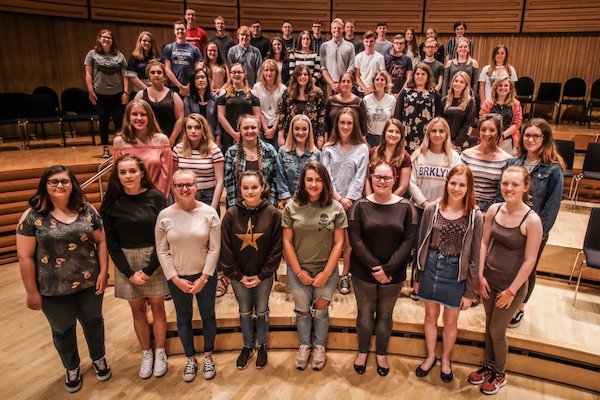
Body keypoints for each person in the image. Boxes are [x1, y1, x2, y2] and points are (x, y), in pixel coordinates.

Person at [16, 165, 110, 393]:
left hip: (88, 282)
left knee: (94, 321)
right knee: (62, 329)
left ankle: (99, 358)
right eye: (54, 181)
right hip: (52, 287)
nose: (60, 185)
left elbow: (101, 241)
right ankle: (72, 367)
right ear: (45, 186)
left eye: (65, 181)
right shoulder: (32, 216)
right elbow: (25, 256)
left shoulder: (86, 209)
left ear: (73, 185)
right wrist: (31, 291)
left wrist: (104, 273)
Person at [468, 166, 543, 395]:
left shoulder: (532, 220)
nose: (508, 188)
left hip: (511, 286)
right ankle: (488, 366)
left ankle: (499, 373)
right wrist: (479, 276)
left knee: (497, 331)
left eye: (515, 184)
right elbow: (483, 244)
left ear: (525, 187)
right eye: (505, 183)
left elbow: (530, 261)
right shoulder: (493, 209)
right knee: (488, 327)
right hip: (489, 280)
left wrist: (511, 291)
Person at [101, 154, 168, 381]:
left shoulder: (157, 198)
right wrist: (129, 272)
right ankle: (146, 353)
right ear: (117, 176)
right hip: (126, 262)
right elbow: (112, 243)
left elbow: (164, 237)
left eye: (132, 171)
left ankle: (160, 352)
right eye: (123, 172)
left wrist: (149, 270)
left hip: (154, 258)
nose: (128, 176)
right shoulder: (111, 204)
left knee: (158, 308)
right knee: (137, 311)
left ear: (142, 172)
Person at [414, 164, 483, 383]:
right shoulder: (432, 209)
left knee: (451, 322)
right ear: (447, 184)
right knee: (431, 316)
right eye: (453, 183)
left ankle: (445, 358)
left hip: (456, 273)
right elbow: (421, 245)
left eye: (462, 184)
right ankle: (431, 355)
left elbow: (474, 256)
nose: (456, 188)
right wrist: (417, 276)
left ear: (469, 187)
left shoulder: (475, 215)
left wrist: (469, 291)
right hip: (431, 266)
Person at [348, 162, 417, 377]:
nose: (382, 181)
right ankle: (362, 351)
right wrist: (375, 268)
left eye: (387, 178)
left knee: (385, 314)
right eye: (378, 177)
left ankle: (381, 353)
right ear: (371, 178)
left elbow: (408, 242)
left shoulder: (407, 207)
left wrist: (387, 269)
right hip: (363, 272)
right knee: (365, 315)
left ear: (395, 179)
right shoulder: (359, 206)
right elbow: (356, 241)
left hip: (393, 274)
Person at [155, 169, 221, 382]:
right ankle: (190, 358)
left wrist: (203, 278)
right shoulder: (164, 215)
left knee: (208, 316)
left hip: (205, 276)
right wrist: (174, 278)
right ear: (173, 188)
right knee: (183, 319)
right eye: (179, 185)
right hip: (178, 278)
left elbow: (214, 248)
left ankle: (208, 355)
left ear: (196, 187)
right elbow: (162, 250)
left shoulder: (209, 212)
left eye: (189, 184)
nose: (184, 189)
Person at [282, 161, 347, 370]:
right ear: (303, 182)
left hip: (325, 270)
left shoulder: (335, 208)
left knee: (320, 311)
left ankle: (319, 345)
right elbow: (286, 242)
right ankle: (304, 345)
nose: (313, 184)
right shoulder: (292, 207)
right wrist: (299, 272)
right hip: (298, 268)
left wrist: (326, 272)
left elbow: (339, 244)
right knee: (302, 310)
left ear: (325, 182)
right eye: (309, 179)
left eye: (318, 180)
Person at [499, 119, 564, 328]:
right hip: (509, 224)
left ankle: (520, 307)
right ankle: (505, 298)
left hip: (534, 228)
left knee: (529, 267)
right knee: (509, 265)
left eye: (536, 136)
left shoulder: (553, 169)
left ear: (544, 139)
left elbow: (552, 206)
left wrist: (541, 233)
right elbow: (503, 195)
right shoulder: (512, 163)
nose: (530, 139)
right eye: (527, 135)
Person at [220, 170, 283, 369]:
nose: (250, 191)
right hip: (239, 276)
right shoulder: (231, 214)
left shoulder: (272, 213)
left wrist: (263, 274)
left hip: (263, 275)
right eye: (245, 188)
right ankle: (247, 346)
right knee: (245, 311)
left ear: (262, 187)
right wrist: (237, 275)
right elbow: (226, 247)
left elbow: (276, 248)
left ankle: (262, 345)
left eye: (254, 187)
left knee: (262, 310)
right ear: (239, 189)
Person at [323, 108, 369, 295]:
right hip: (330, 201)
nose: (345, 126)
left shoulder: (362, 148)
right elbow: (326, 175)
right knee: (328, 241)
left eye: (349, 123)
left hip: (352, 203)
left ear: (355, 125)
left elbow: (360, 176)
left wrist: (348, 199)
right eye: (342, 122)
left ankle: (345, 276)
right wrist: (338, 198)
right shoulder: (328, 148)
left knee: (348, 244)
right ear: (337, 124)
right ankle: (328, 274)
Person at [112, 99, 174, 197]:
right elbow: (118, 175)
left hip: (157, 197)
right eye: (134, 114)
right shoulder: (119, 142)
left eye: (143, 114)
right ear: (128, 117)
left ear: (149, 117)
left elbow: (166, 176)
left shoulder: (162, 140)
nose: (139, 118)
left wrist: (156, 198)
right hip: (129, 198)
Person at [84, 29, 128, 157]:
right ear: (99, 39)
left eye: (109, 37)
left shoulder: (119, 55)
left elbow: (125, 75)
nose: (106, 39)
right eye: (104, 37)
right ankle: (105, 148)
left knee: (119, 122)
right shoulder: (92, 54)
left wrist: (125, 92)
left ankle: (121, 148)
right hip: (100, 94)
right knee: (103, 122)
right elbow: (88, 74)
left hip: (117, 94)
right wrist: (90, 90)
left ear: (112, 41)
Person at [172, 113, 224, 214]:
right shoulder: (178, 149)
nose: (193, 131)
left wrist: (213, 207)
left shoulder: (214, 150)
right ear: (185, 130)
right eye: (189, 127)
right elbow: (173, 178)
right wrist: (176, 200)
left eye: (197, 127)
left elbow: (220, 181)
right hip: (184, 193)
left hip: (208, 195)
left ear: (203, 129)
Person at [224, 114, 278, 209]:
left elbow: (275, 181)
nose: (250, 131)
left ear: (258, 129)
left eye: (253, 127)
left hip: (265, 206)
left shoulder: (270, 150)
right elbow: (229, 183)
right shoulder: (231, 152)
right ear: (240, 130)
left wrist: (272, 206)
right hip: (240, 206)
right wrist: (233, 208)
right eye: (246, 128)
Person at [460, 114, 512, 212]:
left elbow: (505, 191)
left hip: (492, 207)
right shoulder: (466, 155)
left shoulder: (507, 160)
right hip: (467, 204)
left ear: (499, 132)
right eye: (483, 129)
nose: (487, 133)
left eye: (492, 130)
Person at [409, 117, 462, 211]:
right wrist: (425, 204)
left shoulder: (454, 157)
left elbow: (457, 184)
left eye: (441, 131)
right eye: (434, 131)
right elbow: (411, 183)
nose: (437, 134)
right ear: (428, 133)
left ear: (447, 134)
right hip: (419, 208)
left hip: (444, 209)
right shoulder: (418, 155)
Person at [134, 59, 184, 147]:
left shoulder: (174, 96)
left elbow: (180, 119)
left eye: (159, 72)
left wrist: (172, 138)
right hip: (146, 140)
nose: (156, 75)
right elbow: (133, 116)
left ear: (164, 76)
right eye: (152, 72)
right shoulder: (140, 95)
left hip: (169, 139)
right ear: (148, 76)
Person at [395, 63, 443, 153]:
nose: (420, 76)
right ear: (413, 76)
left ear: (428, 76)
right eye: (417, 74)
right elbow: (397, 113)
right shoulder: (405, 92)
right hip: (407, 133)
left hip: (426, 133)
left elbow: (439, 116)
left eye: (423, 74)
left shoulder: (434, 94)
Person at [276, 114, 322, 205]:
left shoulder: (316, 154)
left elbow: (319, 180)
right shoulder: (283, 152)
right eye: (297, 129)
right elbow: (280, 177)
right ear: (292, 130)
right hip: (287, 203)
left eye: (304, 129)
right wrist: (288, 199)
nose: (300, 132)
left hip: (310, 203)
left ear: (309, 131)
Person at [277, 64, 327, 148]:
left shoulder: (318, 93)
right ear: (295, 76)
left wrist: (321, 137)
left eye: (305, 74)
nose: (303, 77)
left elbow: (321, 116)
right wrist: (280, 135)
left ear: (309, 77)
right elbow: (282, 114)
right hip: (291, 136)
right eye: (300, 74)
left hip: (312, 136)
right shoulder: (288, 93)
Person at [217, 63, 261, 151]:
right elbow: (221, 116)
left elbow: (257, 117)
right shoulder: (223, 93)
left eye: (239, 72)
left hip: (249, 134)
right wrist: (234, 134)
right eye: (233, 72)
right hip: (229, 136)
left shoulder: (253, 94)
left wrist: (246, 133)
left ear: (244, 74)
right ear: (230, 74)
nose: (236, 74)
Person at [366, 118, 411, 196]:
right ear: (384, 133)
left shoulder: (405, 157)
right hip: (371, 199)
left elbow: (403, 187)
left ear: (401, 136)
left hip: (394, 201)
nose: (393, 135)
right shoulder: (373, 152)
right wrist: (370, 199)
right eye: (390, 131)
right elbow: (366, 179)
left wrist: (388, 202)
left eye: (397, 132)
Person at [479, 77, 522, 153]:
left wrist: (502, 135)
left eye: (506, 85)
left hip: (508, 139)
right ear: (496, 87)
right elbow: (482, 120)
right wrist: (493, 136)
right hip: (489, 138)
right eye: (500, 85)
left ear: (510, 88)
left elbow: (517, 123)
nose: (503, 88)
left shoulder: (516, 104)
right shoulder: (487, 103)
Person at [252, 59, 287, 149]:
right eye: (266, 70)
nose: (269, 73)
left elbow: (281, 111)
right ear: (262, 72)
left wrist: (274, 129)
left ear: (276, 72)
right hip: (261, 127)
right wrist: (265, 128)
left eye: (272, 70)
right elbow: (258, 110)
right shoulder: (257, 87)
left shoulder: (283, 89)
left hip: (277, 127)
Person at [162, 21, 202, 97]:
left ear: (186, 30)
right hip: (174, 87)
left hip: (191, 87)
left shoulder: (195, 49)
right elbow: (167, 69)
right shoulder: (168, 48)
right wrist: (180, 86)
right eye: (177, 29)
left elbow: (198, 70)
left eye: (182, 29)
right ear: (174, 31)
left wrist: (188, 86)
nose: (180, 31)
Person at [320, 18, 356, 96]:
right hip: (329, 85)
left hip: (345, 84)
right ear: (331, 29)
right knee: (330, 107)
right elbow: (323, 67)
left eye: (339, 28)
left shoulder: (350, 46)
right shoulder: (324, 46)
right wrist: (332, 84)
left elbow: (351, 66)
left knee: (345, 108)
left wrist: (342, 83)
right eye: (334, 28)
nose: (337, 30)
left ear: (343, 30)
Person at [325, 72, 368, 136]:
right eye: (343, 81)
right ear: (339, 84)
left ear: (352, 84)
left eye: (348, 81)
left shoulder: (359, 102)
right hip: (334, 140)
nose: (346, 84)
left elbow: (363, 126)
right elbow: (326, 123)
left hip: (353, 141)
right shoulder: (331, 101)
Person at [442, 71, 477, 151]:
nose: (458, 83)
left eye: (461, 82)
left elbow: (468, 125)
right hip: (443, 141)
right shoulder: (444, 100)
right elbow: (440, 121)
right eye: (456, 81)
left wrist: (455, 143)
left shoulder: (470, 102)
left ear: (466, 85)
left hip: (459, 144)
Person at [184, 68, 220, 141]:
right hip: (194, 138)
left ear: (207, 80)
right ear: (193, 81)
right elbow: (187, 121)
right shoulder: (188, 99)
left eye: (203, 77)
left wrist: (218, 139)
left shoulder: (215, 98)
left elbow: (219, 122)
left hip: (212, 138)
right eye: (197, 78)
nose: (200, 80)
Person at [363, 70, 397, 147]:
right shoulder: (366, 99)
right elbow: (363, 121)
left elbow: (393, 119)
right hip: (370, 137)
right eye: (377, 79)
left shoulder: (391, 100)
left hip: (385, 137)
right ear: (373, 82)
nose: (379, 82)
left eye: (382, 80)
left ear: (386, 82)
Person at [354, 31, 385, 97]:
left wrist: (372, 88)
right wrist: (365, 88)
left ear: (375, 42)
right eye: (366, 41)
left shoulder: (380, 57)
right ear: (363, 42)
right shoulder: (358, 57)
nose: (369, 44)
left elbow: (382, 75)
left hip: (375, 90)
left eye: (371, 41)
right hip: (361, 91)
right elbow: (357, 76)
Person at [126, 31, 158, 96]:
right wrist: (147, 90)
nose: (147, 43)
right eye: (144, 40)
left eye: (149, 41)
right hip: (139, 91)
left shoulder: (156, 57)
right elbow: (133, 77)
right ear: (140, 42)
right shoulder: (134, 57)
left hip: (155, 90)